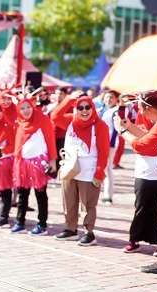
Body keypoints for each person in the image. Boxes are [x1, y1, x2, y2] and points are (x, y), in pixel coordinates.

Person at [116, 90, 157, 275]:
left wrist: (122, 131)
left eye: (140, 107)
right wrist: (129, 126)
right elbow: (149, 136)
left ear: (148, 107)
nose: (140, 112)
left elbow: (141, 145)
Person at [51, 92, 110, 246]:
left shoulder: (100, 125)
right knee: (69, 200)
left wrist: (99, 172)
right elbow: (55, 116)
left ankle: (89, 232)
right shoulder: (71, 121)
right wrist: (69, 100)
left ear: (93, 108)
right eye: (80, 107)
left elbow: (104, 152)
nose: (84, 111)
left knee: (88, 204)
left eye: (88, 107)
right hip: (70, 168)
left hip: (89, 171)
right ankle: (70, 229)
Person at [11, 97, 57, 235]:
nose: (25, 111)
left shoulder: (43, 120)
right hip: (23, 163)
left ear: (33, 106)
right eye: (22, 108)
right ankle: (20, 222)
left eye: (28, 107)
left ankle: (42, 224)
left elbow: (50, 141)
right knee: (22, 194)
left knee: (40, 194)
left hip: (39, 163)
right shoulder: (20, 123)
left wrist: (53, 160)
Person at [99, 90, 121, 204]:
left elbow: (116, 130)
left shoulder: (116, 111)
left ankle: (108, 195)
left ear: (116, 99)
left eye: (111, 97)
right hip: (100, 143)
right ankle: (103, 193)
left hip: (109, 144)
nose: (108, 99)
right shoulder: (103, 110)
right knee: (102, 168)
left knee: (107, 168)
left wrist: (110, 144)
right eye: (106, 97)